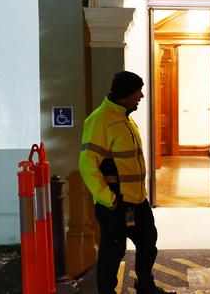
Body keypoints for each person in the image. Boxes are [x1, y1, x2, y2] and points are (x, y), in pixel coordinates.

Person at [79, 71, 173, 294]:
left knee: (148, 242)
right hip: (115, 204)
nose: (141, 96)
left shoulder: (124, 118)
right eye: (138, 91)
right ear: (126, 93)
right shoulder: (100, 121)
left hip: (137, 201)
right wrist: (109, 199)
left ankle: (145, 285)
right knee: (113, 251)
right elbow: (87, 166)